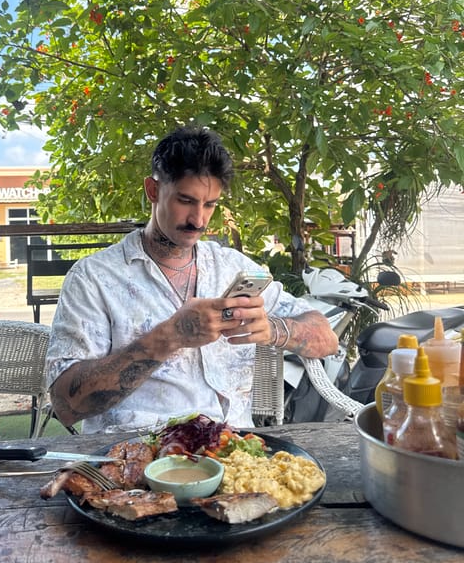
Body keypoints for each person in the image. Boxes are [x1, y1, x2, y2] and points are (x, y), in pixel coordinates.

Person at [46, 125, 338, 433]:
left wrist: (275, 329)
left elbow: (327, 339)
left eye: (209, 204)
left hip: (234, 450)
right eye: (186, 200)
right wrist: (170, 336)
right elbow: (66, 405)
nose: (198, 220)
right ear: (153, 190)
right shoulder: (94, 278)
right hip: (140, 456)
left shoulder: (232, 267)